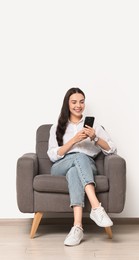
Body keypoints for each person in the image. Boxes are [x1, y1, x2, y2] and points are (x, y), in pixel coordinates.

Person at [47, 87, 117, 246]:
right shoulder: (57, 127)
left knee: (75, 171)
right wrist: (74, 141)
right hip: (60, 166)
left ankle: (77, 227)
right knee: (77, 157)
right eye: (74, 102)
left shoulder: (95, 127)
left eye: (81, 102)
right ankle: (96, 207)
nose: (78, 105)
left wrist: (95, 137)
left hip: (86, 164)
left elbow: (112, 149)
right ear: (67, 104)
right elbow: (52, 155)